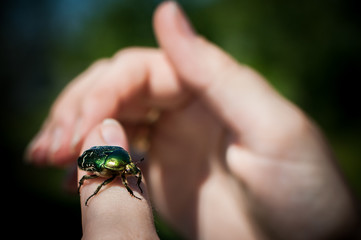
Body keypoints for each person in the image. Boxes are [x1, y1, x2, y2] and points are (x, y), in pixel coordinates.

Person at [26, 1, 358, 239]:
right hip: (97, 160)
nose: (131, 173)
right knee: (95, 179)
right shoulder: (119, 163)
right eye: (130, 172)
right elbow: (105, 171)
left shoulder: (127, 163)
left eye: (130, 172)